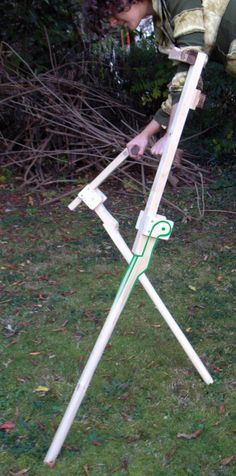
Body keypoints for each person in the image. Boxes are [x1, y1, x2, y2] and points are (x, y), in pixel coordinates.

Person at [83, 0, 236, 157]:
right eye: (108, 16)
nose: (112, 21)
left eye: (113, 10)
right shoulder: (164, 17)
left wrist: (170, 136)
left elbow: (190, 71)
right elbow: (181, 84)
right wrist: (145, 135)